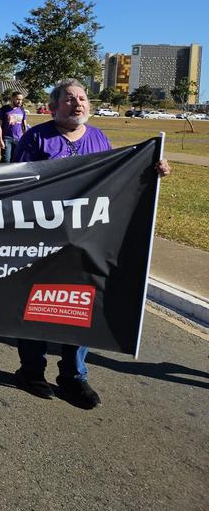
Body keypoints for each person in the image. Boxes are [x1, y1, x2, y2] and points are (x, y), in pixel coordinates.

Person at [14, 79, 170, 409]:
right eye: (69, 99)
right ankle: (31, 371)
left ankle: (74, 376)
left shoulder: (98, 138)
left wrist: (152, 170)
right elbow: (17, 182)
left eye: (82, 98)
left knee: (80, 306)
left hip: (88, 240)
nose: (78, 104)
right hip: (44, 239)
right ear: (53, 107)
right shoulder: (36, 138)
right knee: (36, 303)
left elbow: (118, 179)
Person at [0, 90, 28, 163]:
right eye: (18, 99)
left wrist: (26, 139)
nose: (20, 102)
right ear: (12, 98)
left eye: (21, 100)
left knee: (16, 160)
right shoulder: (3, 109)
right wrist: (0, 139)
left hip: (19, 139)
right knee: (6, 159)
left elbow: (24, 126)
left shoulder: (22, 110)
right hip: (7, 139)